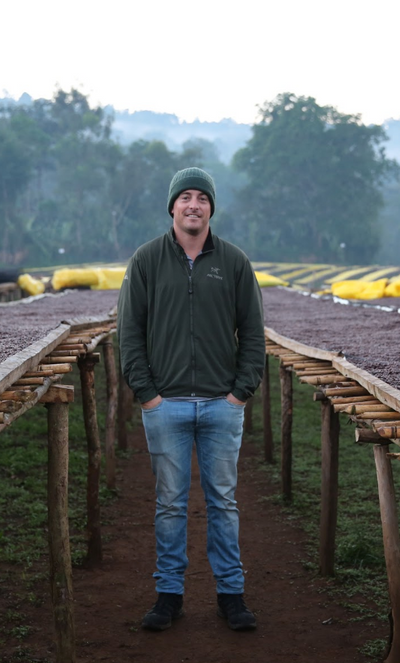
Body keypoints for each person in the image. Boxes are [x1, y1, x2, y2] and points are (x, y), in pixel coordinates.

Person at [117, 167, 265, 632]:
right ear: (172, 206)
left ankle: (230, 594)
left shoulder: (235, 262)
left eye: (202, 197)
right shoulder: (146, 261)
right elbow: (129, 333)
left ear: (211, 207)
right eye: (185, 197)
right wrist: (147, 395)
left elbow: (255, 335)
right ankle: (169, 595)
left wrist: (240, 394)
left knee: (223, 501)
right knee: (169, 504)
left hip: (223, 405)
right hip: (167, 406)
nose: (193, 205)